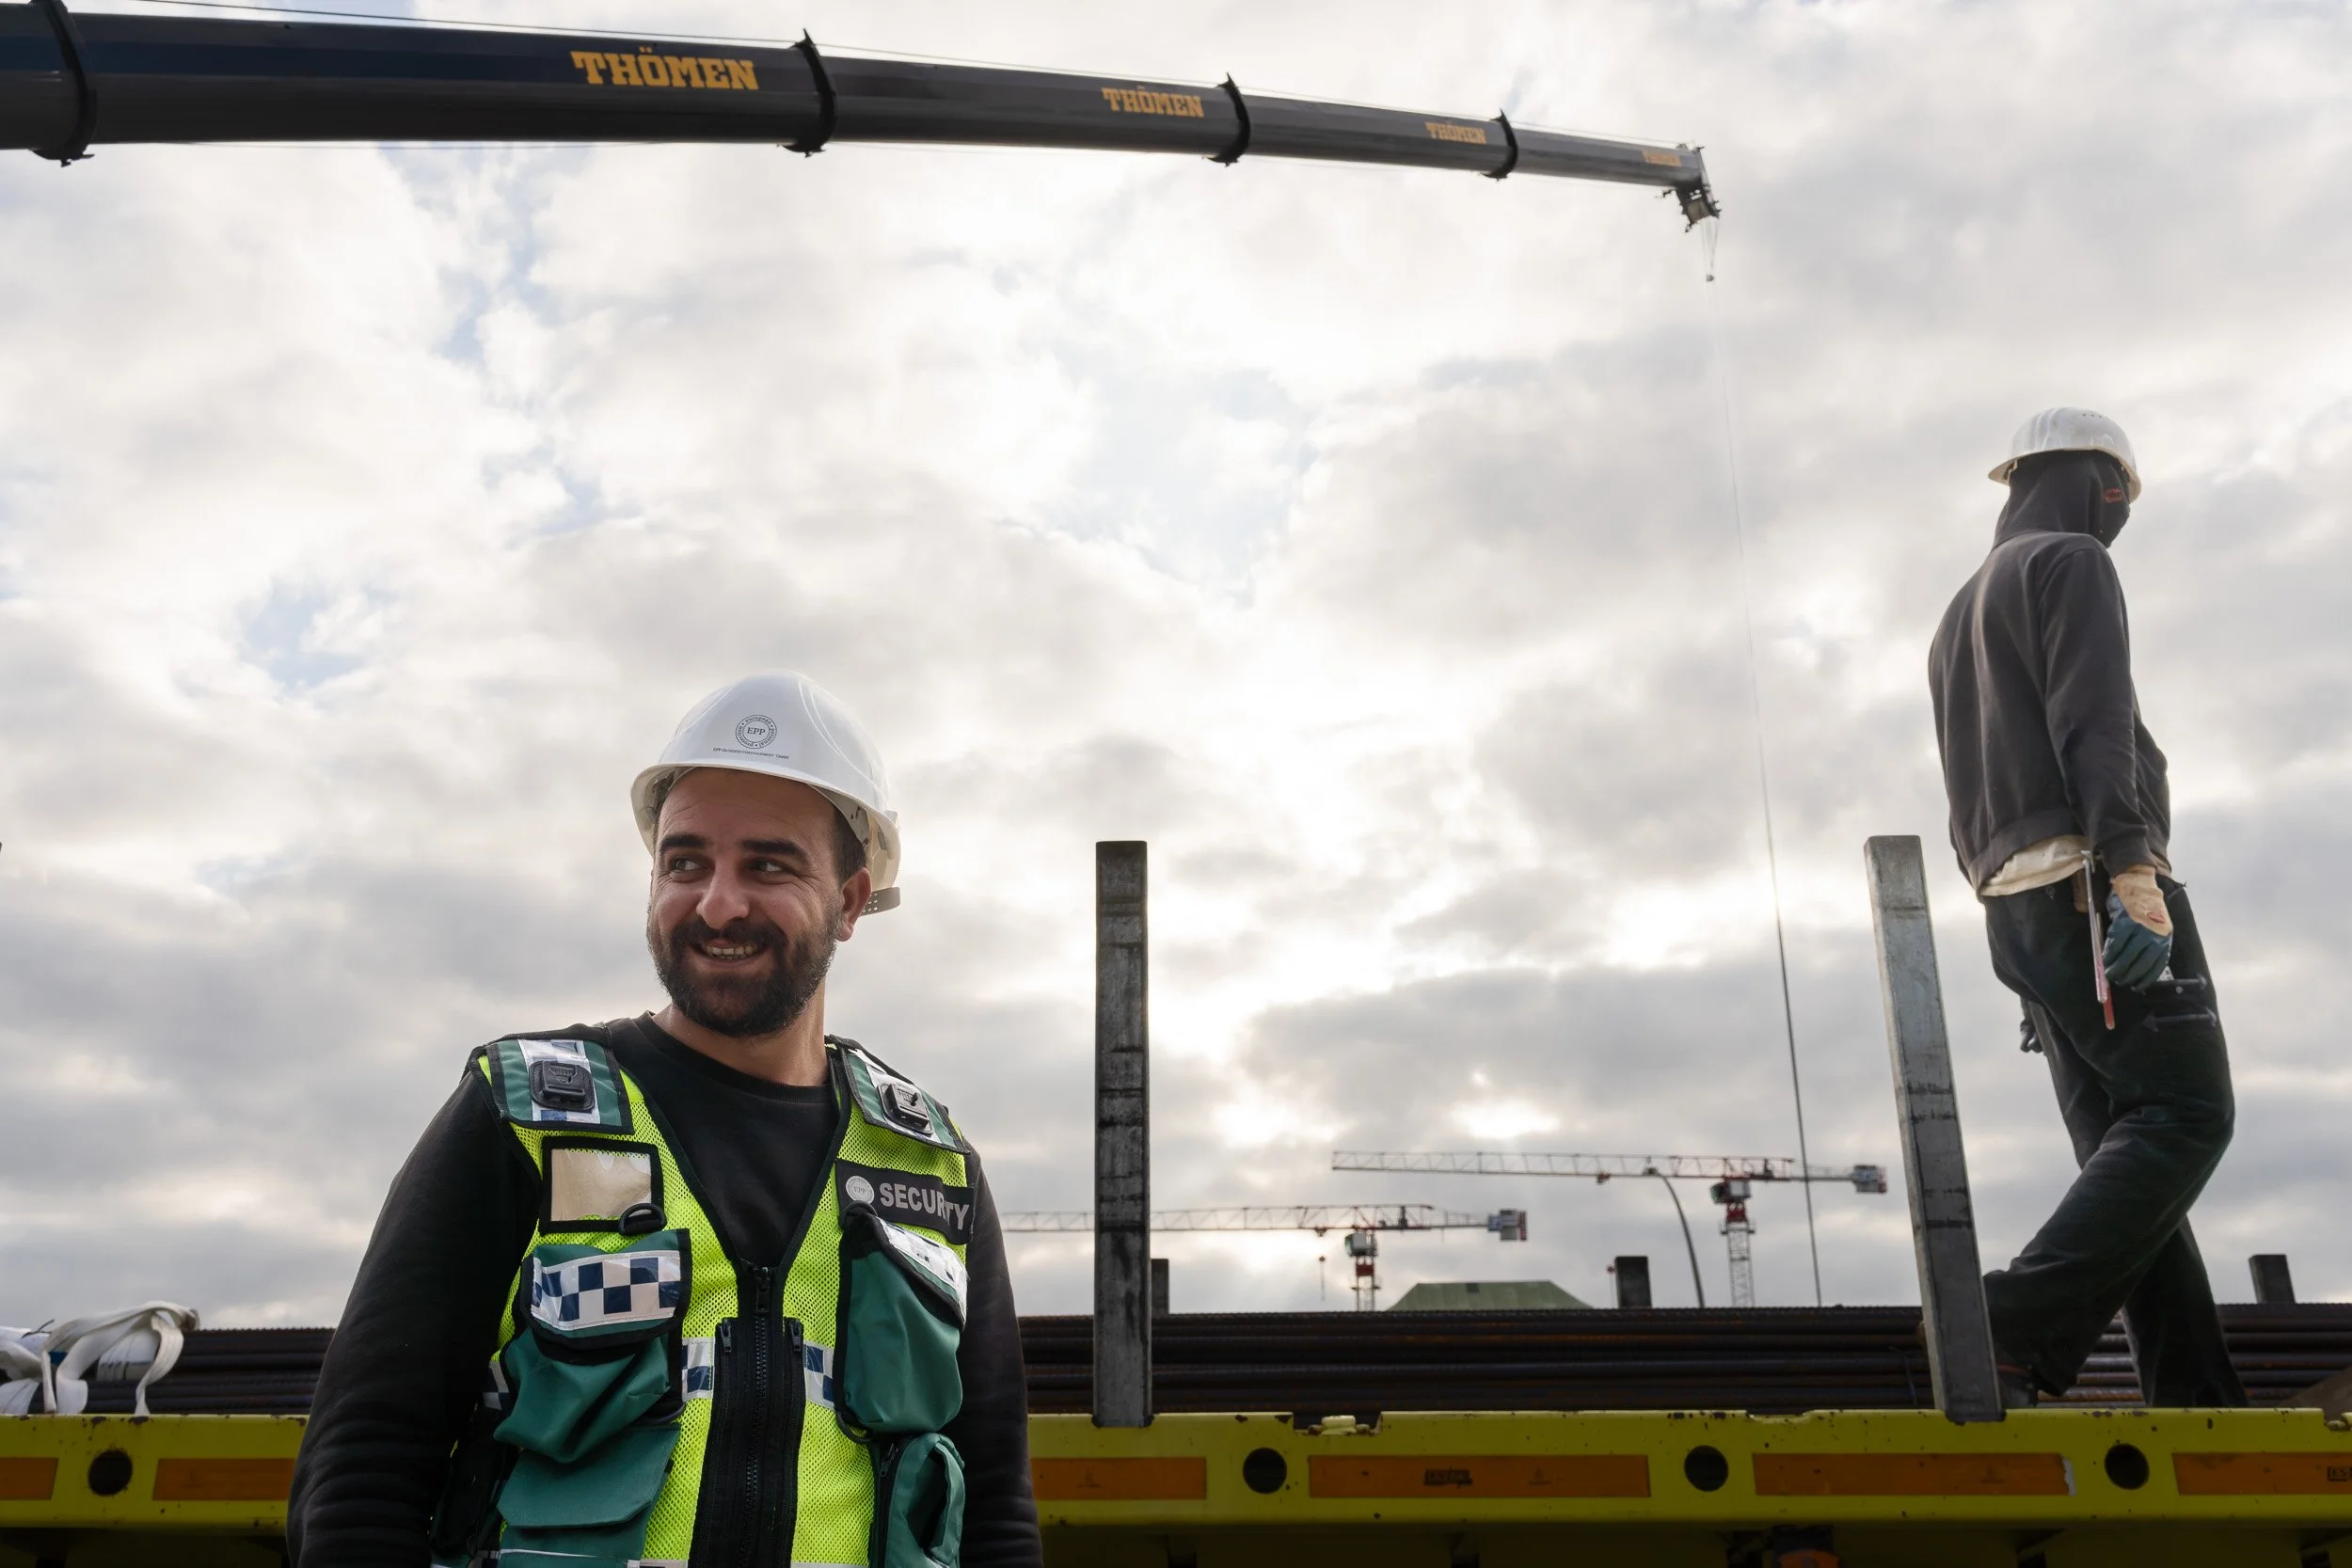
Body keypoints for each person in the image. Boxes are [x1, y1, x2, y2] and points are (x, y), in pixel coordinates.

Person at [288, 672, 1041, 1566]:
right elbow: (363, 1469)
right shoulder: (525, 1114)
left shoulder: (933, 1167)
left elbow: (993, 1510)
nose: (718, 902)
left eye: (768, 864)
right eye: (686, 863)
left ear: (848, 902)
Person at [1929, 408, 2245, 1409]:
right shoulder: (2071, 562)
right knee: (2188, 1113)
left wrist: (2025, 955)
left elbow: (1965, 790)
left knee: (2125, 1147)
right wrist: (2132, 870)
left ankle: (2195, 1394)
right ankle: (2012, 1319)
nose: (2120, 516)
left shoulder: (1955, 613)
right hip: (2089, 886)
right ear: (2095, 482)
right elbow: (2092, 722)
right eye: (2121, 494)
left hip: (2016, 910)